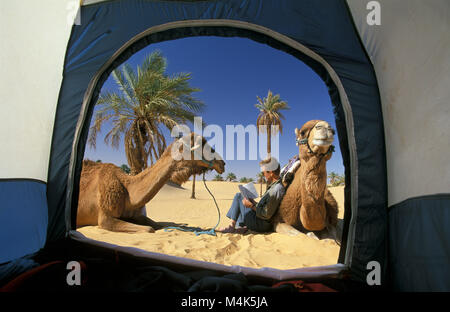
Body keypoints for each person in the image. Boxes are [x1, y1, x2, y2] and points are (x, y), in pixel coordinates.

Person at [217, 158, 285, 234]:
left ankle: (232, 227)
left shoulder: (276, 189)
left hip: (261, 224)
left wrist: (252, 206)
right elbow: (266, 207)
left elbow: (266, 214)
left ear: (271, 173)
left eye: (263, 173)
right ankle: (240, 227)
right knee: (242, 199)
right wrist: (254, 203)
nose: (263, 175)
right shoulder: (274, 187)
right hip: (260, 220)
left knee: (239, 196)